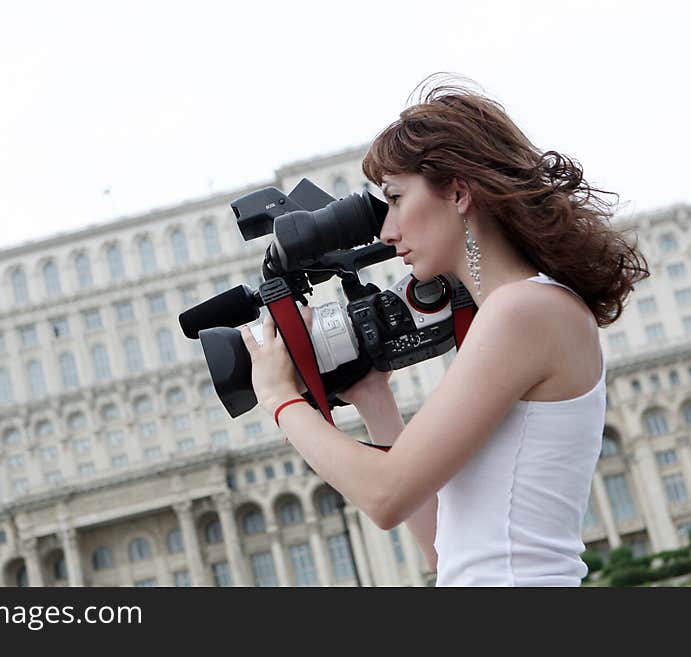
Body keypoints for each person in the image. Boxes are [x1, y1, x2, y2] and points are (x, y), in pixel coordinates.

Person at [239, 75, 648, 586]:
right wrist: (373, 398)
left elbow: (383, 496)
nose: (387, 232)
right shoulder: (521, 311)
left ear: (457, 192)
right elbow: (446, 551)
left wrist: (280, 398)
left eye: (394, 198)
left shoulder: (525, 310)